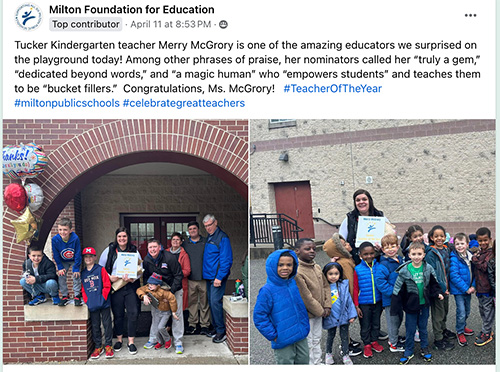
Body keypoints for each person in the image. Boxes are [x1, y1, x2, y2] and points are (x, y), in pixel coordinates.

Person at [253, 249, 310, 364]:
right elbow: (259, 316)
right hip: (282, 339)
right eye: (280, 265)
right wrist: (273, 335)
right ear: (272, 266)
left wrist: (304, 325)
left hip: (300, 335)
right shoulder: (267, 290)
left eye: (289, 265)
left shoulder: (292, 283)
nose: (285, 268)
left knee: (304, 361)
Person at [391, 242, 444, 364]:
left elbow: (434, 282)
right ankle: (408, 350)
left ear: (424, 254)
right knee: (410, 329)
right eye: (413, 254)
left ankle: (424, 348)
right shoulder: (405, 270)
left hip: (424, 303)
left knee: (423, 328)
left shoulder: (428, 268)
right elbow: (397, 287)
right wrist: (395, 305)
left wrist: (438, 293)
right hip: (411, 304)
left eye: (419, 254)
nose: (416, 256)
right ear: (409, 255)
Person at [98, 227, 142, 355]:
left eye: (124, 236)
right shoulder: (109, 250)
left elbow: (140, 268)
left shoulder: (134, 251)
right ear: (116, 238)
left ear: (128, 238)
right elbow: (101, 269)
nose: (122, 239)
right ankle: (119, 340)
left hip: (130, 287)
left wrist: (133, 278)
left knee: (133, 313)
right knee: (118, 314)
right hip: (116, 287)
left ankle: (131, 341)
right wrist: (109, 277)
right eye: (119, 237)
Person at [322, 232, 362, 356]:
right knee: (344, 322)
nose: (348, 244)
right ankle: (347, 346)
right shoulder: (344, 263)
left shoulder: (345, 259)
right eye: (345, 245)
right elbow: (349, 281)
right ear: (339, 251)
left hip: (344, 297)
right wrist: (353, 301)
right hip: (346, 297)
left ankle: (349, 341)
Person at [294, 238, 331, 365]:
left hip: (320, 312)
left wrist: (327, 305)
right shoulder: (298, 271)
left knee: (317, 338)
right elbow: (306, 297)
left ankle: (317, 362)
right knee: (308, 342)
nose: (312, 251)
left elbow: (326, 286)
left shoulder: (317, 267)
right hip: (308, 314)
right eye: (307, 249)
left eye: (314, 249)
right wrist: (321, 311)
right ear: (297, 251)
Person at [142, 239, 183, 351]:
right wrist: (148, 292)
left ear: (160, 247)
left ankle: (178, 342)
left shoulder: (169, 257)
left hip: (174, 289)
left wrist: (171, 292)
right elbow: (146, 277)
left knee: (176, 315)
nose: (152, 249)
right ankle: (153, 339)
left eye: (155, 247)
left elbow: (179, 275)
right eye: (150, 247)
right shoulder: (146, 260)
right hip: (157, 292)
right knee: (155, 315)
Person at [202, 214, 233, 343]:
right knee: (211, 302)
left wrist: (219, 277)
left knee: (215, 302)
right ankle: (215, 328)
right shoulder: (210, 237)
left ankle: (221, 331)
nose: (208, 228)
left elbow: (226, 260)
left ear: (215, 223)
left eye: (210, 225)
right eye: (206, 226)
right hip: (209, 277)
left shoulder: (222, 238)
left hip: (217, 277)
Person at [339, 189, 390, 265]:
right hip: (356, 260)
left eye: (364, 199)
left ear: (369, 201)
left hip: (379, 259)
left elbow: (390, 237)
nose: (361, 202)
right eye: (358, 200)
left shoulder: (380, 217)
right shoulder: (349, 219)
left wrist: (383, 245)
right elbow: (341, 240)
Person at [425, 225, 455, 351]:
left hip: (446, 288)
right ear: (431, 237)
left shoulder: (446, 249)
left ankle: (443, 330)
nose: (439, 238)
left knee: (444, 311)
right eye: (436, 236)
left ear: (445, 237)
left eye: (441, 236)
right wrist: (440, 289)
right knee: (438, 314)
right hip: (437, 289)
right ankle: (438, 339)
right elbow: (432, 274)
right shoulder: (431, 253)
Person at [81, 247, 114, 359]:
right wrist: (87, 300)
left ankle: (109, 345)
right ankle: (98, 346)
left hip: (103, 302)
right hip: (92, 303)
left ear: (95, 257)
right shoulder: (83, 273)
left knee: (107, 324)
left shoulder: (100, 269)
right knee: (95, 326)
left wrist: (103, 297)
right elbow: (83, 289)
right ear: (84, 258)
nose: (88, 258)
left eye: (90, 256)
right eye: (86, 256)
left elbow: (107, 285)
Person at [352, 242, 384, 358]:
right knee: (365, 325)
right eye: (365, 254)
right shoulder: (357, 269)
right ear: (360, 255)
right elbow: (355, 288)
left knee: (376, 324)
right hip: (364, 303)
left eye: (371, 253)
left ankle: (374, 341)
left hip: (378, 301)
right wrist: (356, 305)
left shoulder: (379, 266)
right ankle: (367, 344)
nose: (369, 256)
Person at [375, 233, 405, 352]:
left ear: (397, 247)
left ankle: (395, 337)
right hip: (391, 299)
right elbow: (381, 283)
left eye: (392, 246)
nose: (390, 249)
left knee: (399, 318)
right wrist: (394, 292)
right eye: (387, 247)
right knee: (393, 321)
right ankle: (393, 343)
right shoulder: (384, 265)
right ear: (382, 249)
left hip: (401, 297)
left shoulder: (401, 260)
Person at [322, 262, 356, 365]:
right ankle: (328, 353)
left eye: (336, 273)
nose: (333, 276)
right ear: (325, 274)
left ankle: (346, 354)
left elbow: (349, 301)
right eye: (330, 274)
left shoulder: (343, 285)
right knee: (330, 336)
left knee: (344, 336)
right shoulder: (324, 287)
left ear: (340, 274)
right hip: (330, 316)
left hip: (343, 316)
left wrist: (351, 315)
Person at [136, 272, 179, 351]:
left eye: (152, 284)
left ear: (158, 285)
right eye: (149, 284)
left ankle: (167, 339)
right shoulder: (148, 288)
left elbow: (172, 299)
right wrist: (144, 295)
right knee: (155, 327)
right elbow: (139, 290)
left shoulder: (164, 291)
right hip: (157, 311)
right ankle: (160, 341)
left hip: (165, 312)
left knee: (160, 327)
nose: (150, 286)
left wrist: (173, 312)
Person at [182, 221, 210, 335]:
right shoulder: (185, 244)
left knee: (204, 303)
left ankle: (205, 325)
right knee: (192, 303)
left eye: (194, 228)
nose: (192, 231)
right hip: (191, 278)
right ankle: (192, 324)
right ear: (188, 231)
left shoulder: (206, 242)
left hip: (204, 277)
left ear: (198, 229)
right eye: (190, 229)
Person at [166, 232, 191, 354]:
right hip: (165, 287)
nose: (175, 241)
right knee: (163, 312)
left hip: (178, 287)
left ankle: (178, 341)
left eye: (178, 240)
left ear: (181, 242)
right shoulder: (165, 252)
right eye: (173, 239)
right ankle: (163, 339)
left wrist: (176, 273)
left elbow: (187, 270)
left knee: (177, 314)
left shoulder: (183, 255)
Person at [449, 233, 475, 346]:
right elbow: (454, 276)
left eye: (462, 243)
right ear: (454, 245)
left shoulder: (471, 256)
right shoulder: (454, 258)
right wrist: (466, 289)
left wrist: (473, 286)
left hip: (469, 289)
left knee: (467, 310)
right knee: (461, 312)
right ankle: (459, 331)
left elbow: (475, 272)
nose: (460, 246)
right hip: (459, 291)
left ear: (467, 244)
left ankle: (463, 326)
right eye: (457, 244)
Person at [471, 227, 495, 346]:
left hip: (488, 289)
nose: (483, 243)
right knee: (482, 310)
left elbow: (485, 266)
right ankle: (487, 329)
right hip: (480, 288)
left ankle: (487, 332)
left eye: (485, 240)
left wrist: (474, 259)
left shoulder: (491, 253)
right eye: (480, 241)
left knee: (488, 311)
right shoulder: (480, 252)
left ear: (490, 239)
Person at [51, 217, 82, 306]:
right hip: (63, 261)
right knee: (61, 276)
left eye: (65, 230)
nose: (62, 232)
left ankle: (77, 295)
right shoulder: (55, 239)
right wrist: (60, 267)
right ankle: (65, 295)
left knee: (76, 276)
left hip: (74, 260)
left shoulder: (75, 238)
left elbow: (77, 253)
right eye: (60, 229)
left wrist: (76, 268)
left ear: (70, 230)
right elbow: (56, 254)